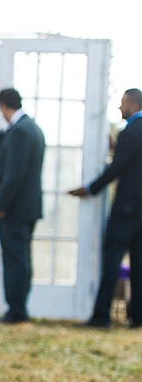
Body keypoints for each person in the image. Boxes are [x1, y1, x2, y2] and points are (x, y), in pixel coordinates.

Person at [69, 88, 142, 329]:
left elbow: (116, 169)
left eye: (122, 104)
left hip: (126, 211)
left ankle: (101, 315)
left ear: (132, 105)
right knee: (139, 264)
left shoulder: (130, 131)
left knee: (111, 261)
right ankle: (137, 316)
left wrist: (90, 188)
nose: (120, 108)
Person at [0, 88, 45, 324]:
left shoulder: (21, 131)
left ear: (3, 106)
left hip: (16, 208)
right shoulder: (30, 128)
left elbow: (14, 174)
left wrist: (0, 204)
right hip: (27, 207)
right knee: (21, 258)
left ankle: (16, 310)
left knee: (15, 260)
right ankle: (18, 307)